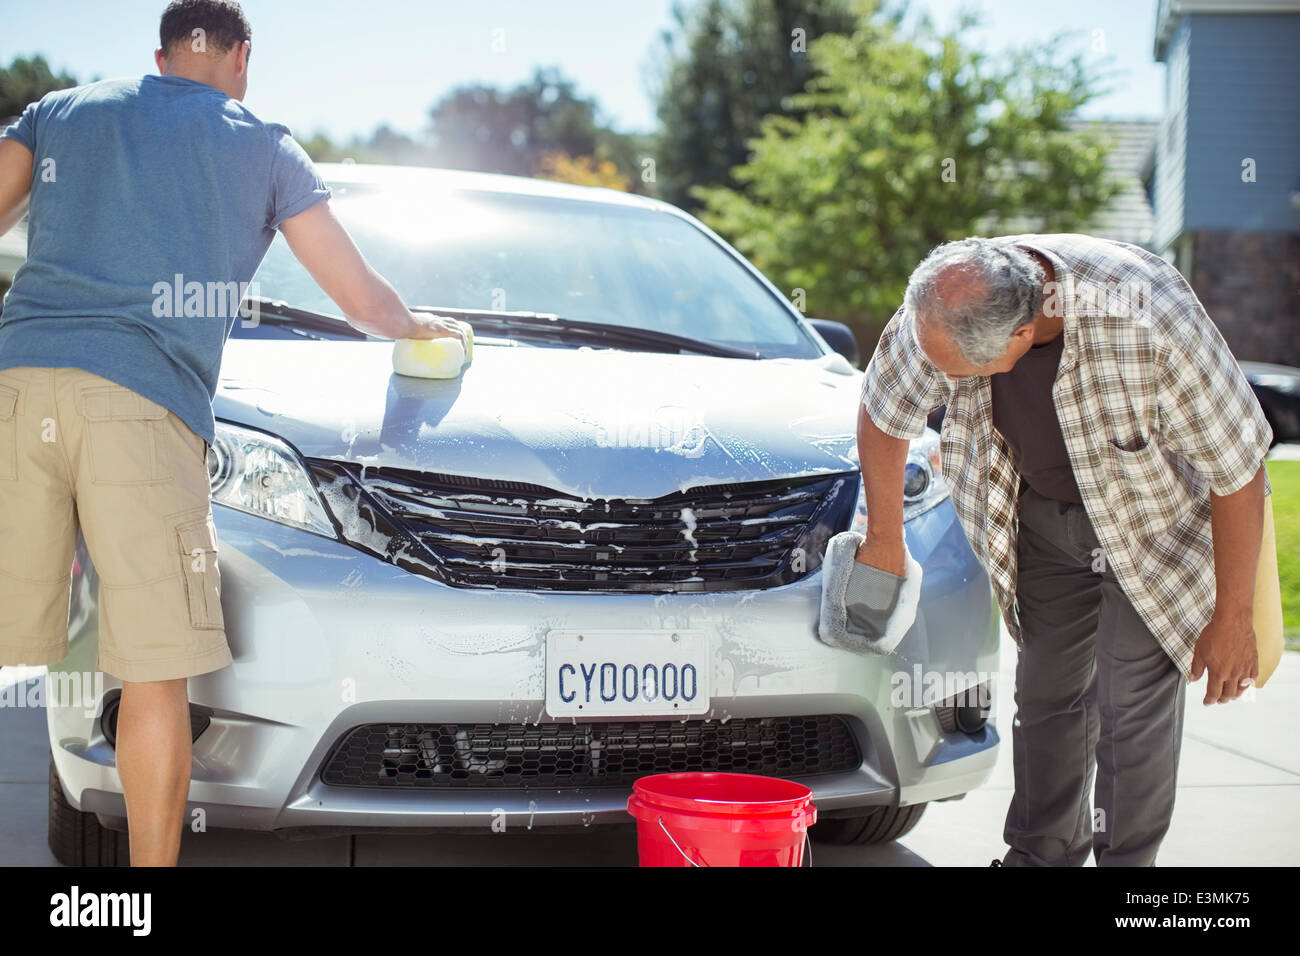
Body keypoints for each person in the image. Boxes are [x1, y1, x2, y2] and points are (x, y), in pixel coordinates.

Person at [0, 0, 464, 866]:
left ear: (160, 56)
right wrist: (419, 326)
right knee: (153, 670)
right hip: (138, 406)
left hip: (19, 392)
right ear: (241, 58)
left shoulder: (61, 110)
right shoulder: (262, 143)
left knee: (15, 644)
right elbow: (360, 300)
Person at [855, 234, 1271, 866]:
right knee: (1049, 698)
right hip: (1044, 519)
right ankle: (1041, 856)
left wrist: (1233, 614)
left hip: (1154, 530)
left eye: (961, 374)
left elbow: (1239, 467)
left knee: (1129, 708)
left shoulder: (1151, 319)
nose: (943, 381)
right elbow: (885, 412)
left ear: (1022, 335)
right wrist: (884, 539)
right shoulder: (944, 306)